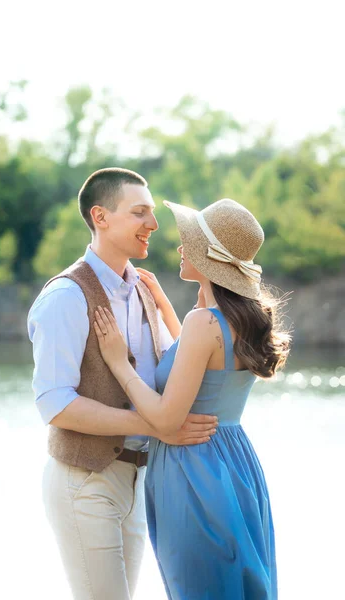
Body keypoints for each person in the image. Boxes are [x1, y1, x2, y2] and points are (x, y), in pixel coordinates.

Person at [27, 168, 218, 600]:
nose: (153, 225)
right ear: (101, 217)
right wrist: (155, 425)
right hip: (85, 480)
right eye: (140, 213)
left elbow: (174, 368)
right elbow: (54, 404)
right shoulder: (66, 297)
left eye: (152, 214)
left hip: (139, 480)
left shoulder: (146, 291)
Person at [94, 197, 291, 600]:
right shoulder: (239, 319)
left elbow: (167, 421)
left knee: (197, 587)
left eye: (191, 241)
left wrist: (119, 364)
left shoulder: (203, 323)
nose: (181, 246)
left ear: (211, 258)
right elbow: (198, 358)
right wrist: (166, 305)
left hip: (192, 469)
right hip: (235, 467)